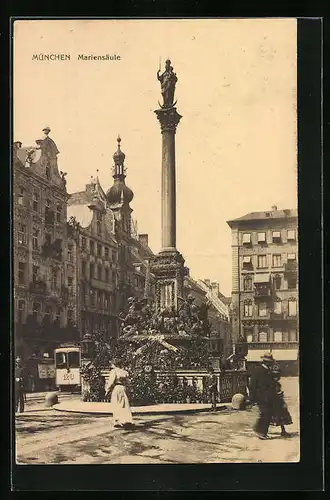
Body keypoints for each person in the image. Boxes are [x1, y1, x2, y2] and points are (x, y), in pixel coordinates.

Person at [249, 352, 277, 440]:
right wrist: (252, 397)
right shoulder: (258, 370)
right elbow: (252, 385)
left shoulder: (268, 371)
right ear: (266, 362)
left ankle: (262, 432)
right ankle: (260, 431)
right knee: (265, 414)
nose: (271, 363)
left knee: (267, 414)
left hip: (269, 397)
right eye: (270, 362)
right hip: (261, 396)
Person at [105, 359, 134, 429]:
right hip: (123, 388)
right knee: (124, 404)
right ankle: (126, 420)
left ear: (115, 364)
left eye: (112, 364)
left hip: (116, 388)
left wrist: (107, 390)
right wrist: (129, 390)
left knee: (116, 403)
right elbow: (128, 382)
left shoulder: (114, 371)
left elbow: (111, 382)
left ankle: (118, 420)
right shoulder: (124, 372)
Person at [271, 369, 293, 437]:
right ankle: (263, 430)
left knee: (281, 416)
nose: (277, 378)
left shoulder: (277, 383)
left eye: (278, 376)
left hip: (279, 402)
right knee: (274, 416)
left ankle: (283, 430)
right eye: (275, 376)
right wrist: (278, 394)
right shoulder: (272, 384)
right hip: (274, 402)